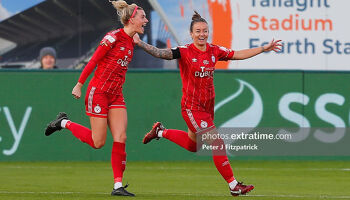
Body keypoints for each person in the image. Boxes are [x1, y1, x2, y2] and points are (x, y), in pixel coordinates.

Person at [133, 11, 282, 196]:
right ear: (191, 33)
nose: (202, 34)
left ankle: (160, 131)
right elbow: (162, 53)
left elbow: (237, 54)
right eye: (198, 31)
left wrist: (263, 48)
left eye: (205, 30)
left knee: (193, 146)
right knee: (217, 143)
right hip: (191, 108)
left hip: (207, 108)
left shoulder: (214, 50)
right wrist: (140, 43)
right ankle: (234, 185)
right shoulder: (185, 51)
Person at [44, 0, 148, 196]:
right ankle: (64, 123)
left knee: (121, 137)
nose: (146, 20)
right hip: (98, 92)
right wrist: (79, 84)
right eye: (143, 17)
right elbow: (94, 60)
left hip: (116, 94)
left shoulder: (132, 41)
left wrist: (138, 41)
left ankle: (117, 186)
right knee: (97, 142)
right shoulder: (112, 37)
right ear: (131, 19)